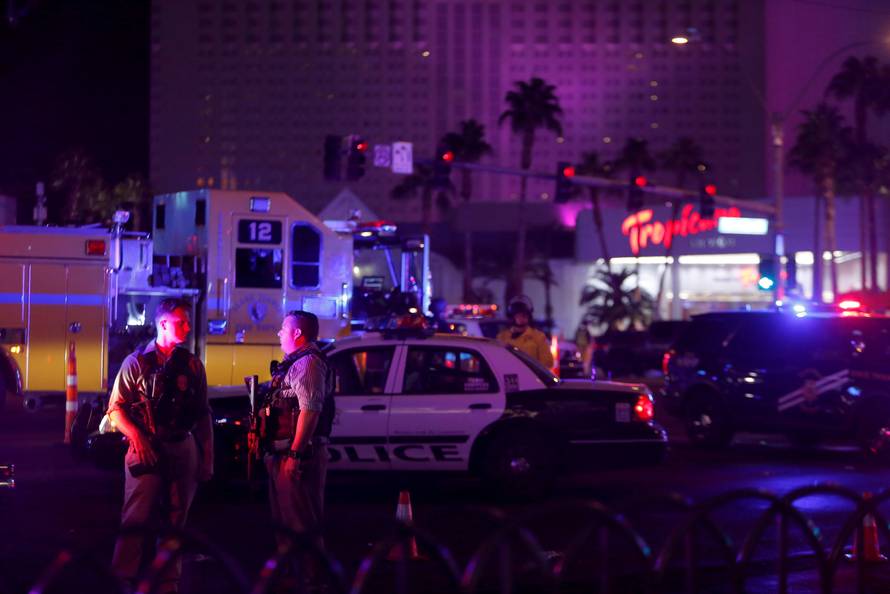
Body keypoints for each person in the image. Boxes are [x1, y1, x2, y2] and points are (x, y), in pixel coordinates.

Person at [107, 297, 213, 594]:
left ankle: (168, 583)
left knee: (176, 521)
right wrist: (138, 438)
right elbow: (115, 409)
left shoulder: (192, 365)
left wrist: (208, 459)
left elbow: (204, 413)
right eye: (182, 322)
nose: (188, 327)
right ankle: (122, 579)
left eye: (188, 322)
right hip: (147, 447)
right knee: (135, 519)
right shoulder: (137, 362)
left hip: (183, 447)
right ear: (163, 324)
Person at [265, 310, 334, 557]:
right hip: (283, 452)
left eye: (284, 328)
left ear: (297, 333)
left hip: (300, 456)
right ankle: (292, 577)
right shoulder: (295, 362)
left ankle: (311, 581)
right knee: (286, 523)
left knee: (301, 523)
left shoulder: (308, 363)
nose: (279, 333)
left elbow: (310, 410)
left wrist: (295, 454)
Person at [496, 295, 554, 369]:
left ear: (529, 317)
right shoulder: (502, 337)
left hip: (531, 377)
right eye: (518, 316)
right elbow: (498, 361)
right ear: (512, 317)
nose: (521, 319)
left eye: (524, 316)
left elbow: (547, 363)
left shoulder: (538, 337)